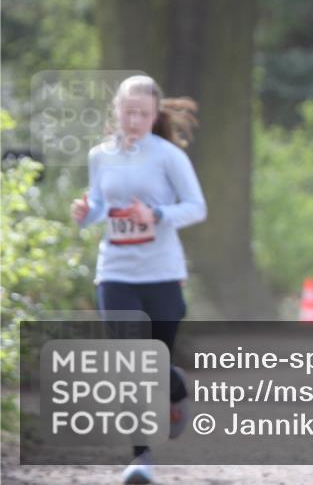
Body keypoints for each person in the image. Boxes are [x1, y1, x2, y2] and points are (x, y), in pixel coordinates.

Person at [71, 75, 206, 485]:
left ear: (154, 115)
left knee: (156, 362)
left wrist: (157, 214)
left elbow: (196, 207)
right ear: (116, 111)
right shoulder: (100, 155)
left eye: (143, 114)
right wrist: (86, 213)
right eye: (128, 112)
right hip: (116, 271)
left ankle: (175, 388)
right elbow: (99, 204)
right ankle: (140, 457)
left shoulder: (168, 156)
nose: (134, 121)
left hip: (162, 272)